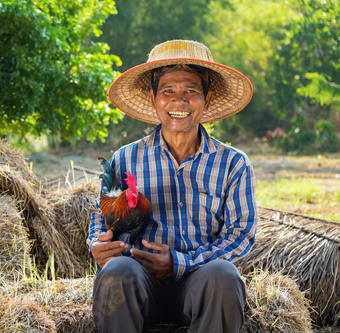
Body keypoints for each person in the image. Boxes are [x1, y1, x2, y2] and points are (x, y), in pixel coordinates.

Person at [87, 40, 258, 333]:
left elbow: (240, 235)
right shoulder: (126, 158)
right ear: (153, 98)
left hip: (200, 281)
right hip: (139, 279)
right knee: (116, 271)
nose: (179, 101)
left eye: (191, 91)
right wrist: (98, 245)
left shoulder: (233, 163)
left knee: (224, 275)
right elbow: (100, 219)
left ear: (208, 98)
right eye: (168, 91)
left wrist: (180, 263)